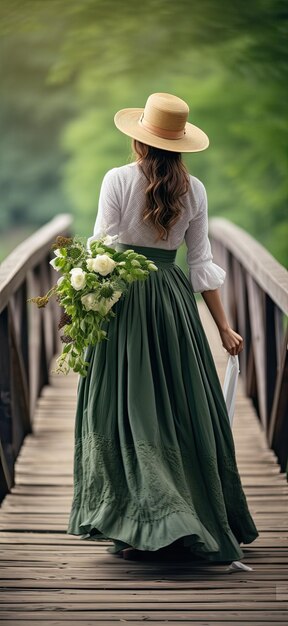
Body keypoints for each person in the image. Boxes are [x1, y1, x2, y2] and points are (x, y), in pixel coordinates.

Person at [67, 93, 259, 563]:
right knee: (178, 404)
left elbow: (100, 250)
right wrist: (224, 328)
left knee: (126, 407)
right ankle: (182, 516)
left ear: (139, 142)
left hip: (124, 301)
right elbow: (201, 265)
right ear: (181, 146)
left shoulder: (116, 179)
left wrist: (80, 313)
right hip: (172, 301)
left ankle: (138, 524)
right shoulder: (196, 190)